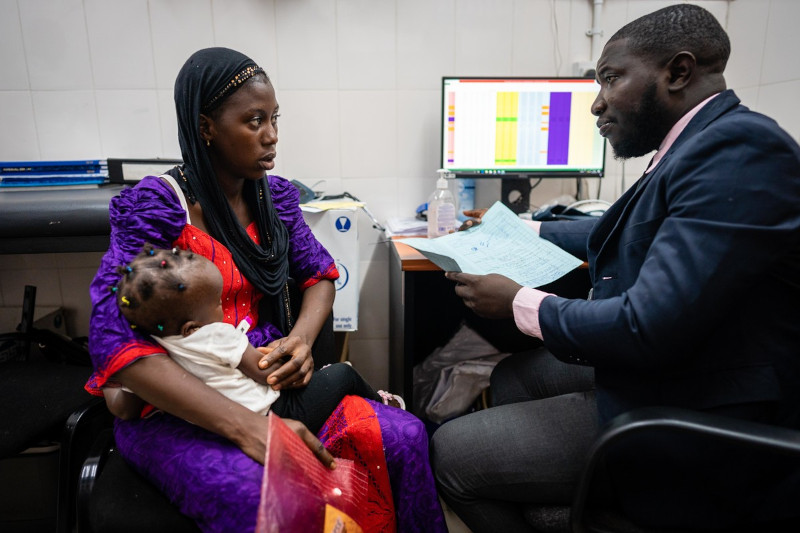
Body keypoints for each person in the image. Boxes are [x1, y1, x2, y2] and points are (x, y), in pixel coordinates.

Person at [431, 4, 800, 532]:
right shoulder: (699, 142)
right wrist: (521, 229)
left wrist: (516, 301)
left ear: (677, 72)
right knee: (516, 373)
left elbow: (643, 327)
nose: (596, 103)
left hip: (707, 411)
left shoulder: (740, 151)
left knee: (450, 453)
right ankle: (563, 506)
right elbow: (637, 227)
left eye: (610, 79)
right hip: (690, 362)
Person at [87, 47, 445, 532]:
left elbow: (319, 274)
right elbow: (113, 338)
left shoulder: (271, 197)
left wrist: (299, 339)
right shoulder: (156, 207)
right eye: (254, 121)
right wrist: (256, 431)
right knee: (264, 496)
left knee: (402, 436)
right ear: (206, 126)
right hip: (181, 404)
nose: (272, 136)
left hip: (263, 385)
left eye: (274, 118)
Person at [110, 243, 403, 420]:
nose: (221, 310)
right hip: (274, 414)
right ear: (192, 327)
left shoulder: (153, 347)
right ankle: (384, 403)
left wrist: (114, 386)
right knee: (342, 374)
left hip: (214, 418)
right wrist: (278, 355)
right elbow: (268, 376)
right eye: (216, 304)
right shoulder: (218, 336)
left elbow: (125, 406)